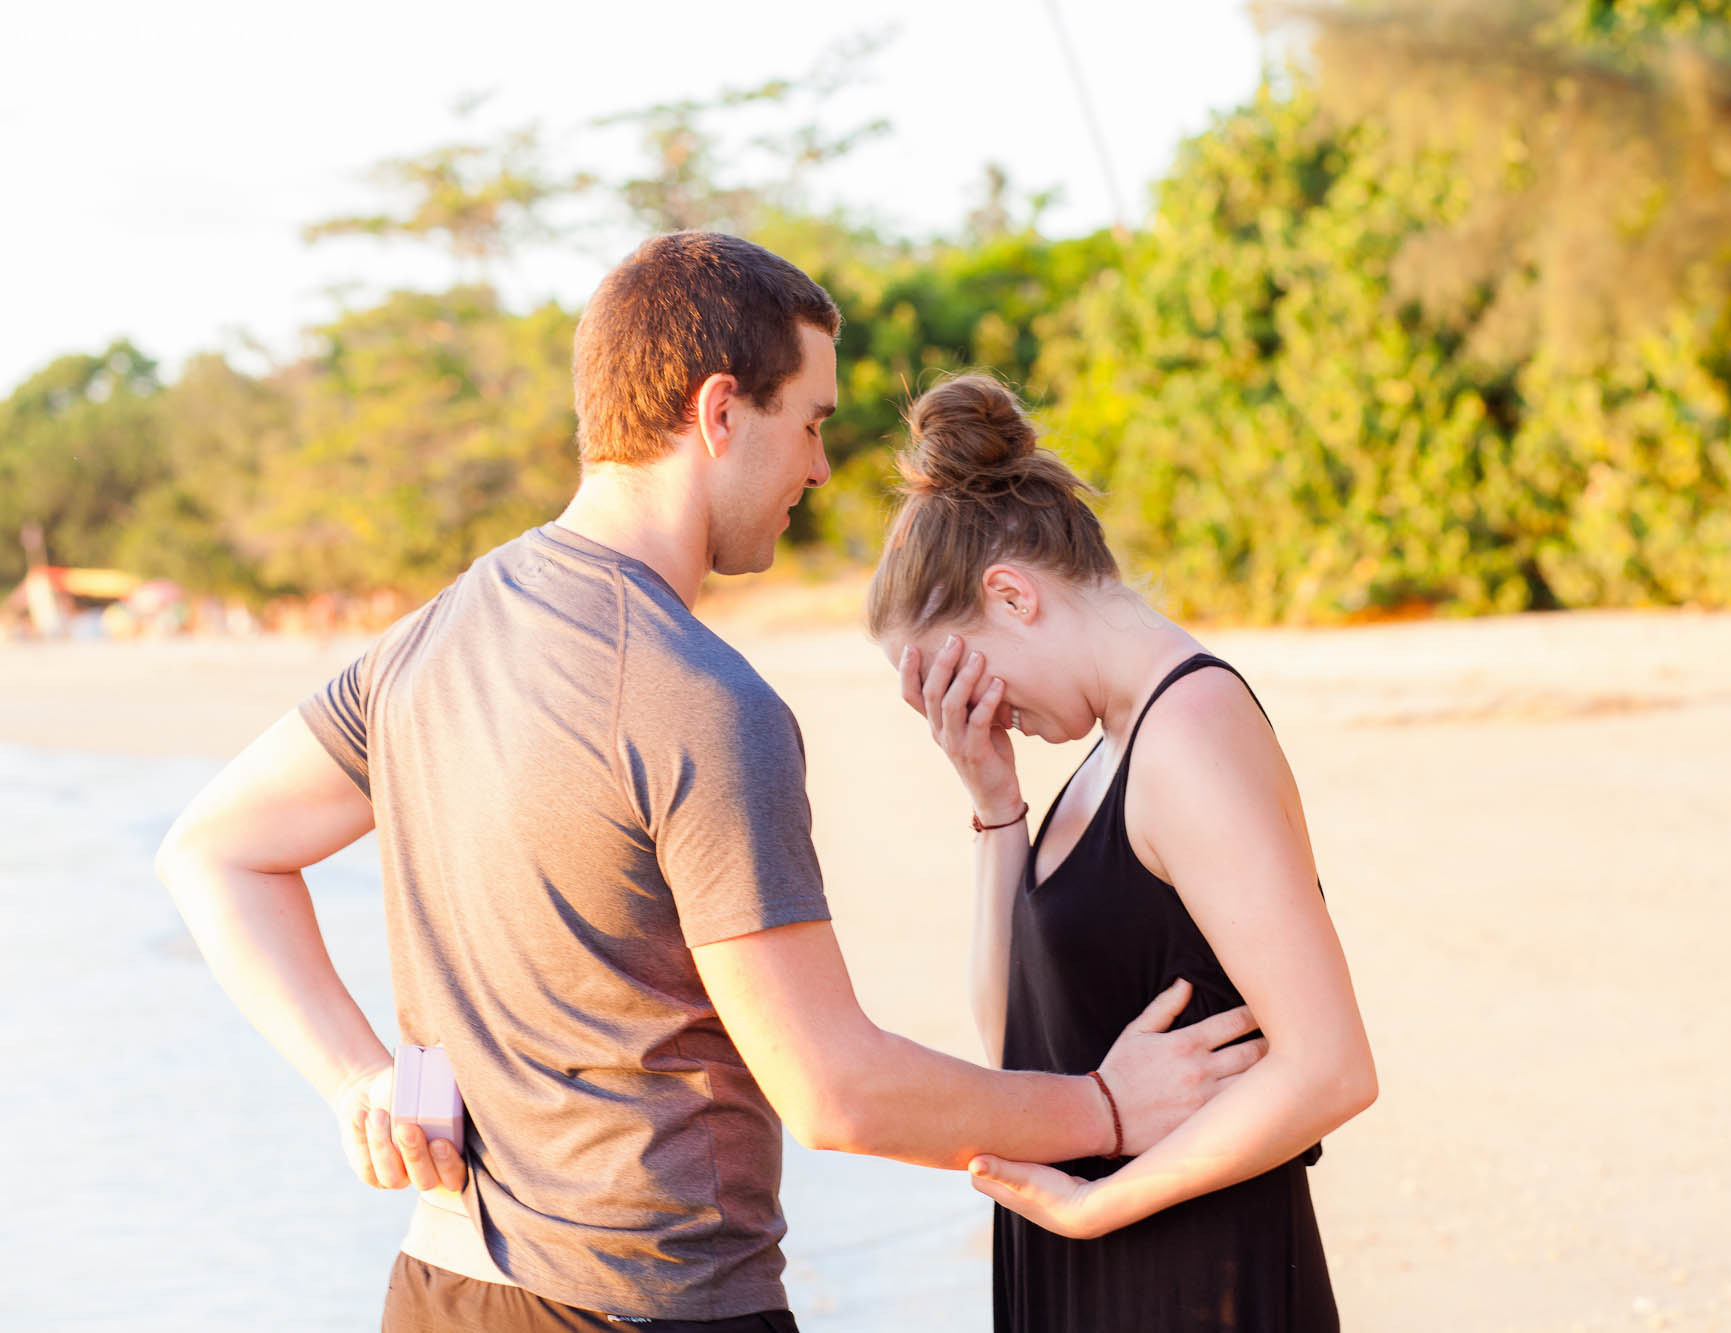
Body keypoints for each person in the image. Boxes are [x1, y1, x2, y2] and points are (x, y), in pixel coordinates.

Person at [153, 233, 1262, 1332]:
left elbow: (214, 849)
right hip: (650, 1308)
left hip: (437, 1294)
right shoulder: (702, 702)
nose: (820, 468)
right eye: (811, 423)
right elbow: (834, 1090)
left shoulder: (429, 642)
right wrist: (1103, 1106)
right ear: (719, 411)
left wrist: (356, 1076)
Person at [867, 373, 1379, 1332]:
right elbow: (1014, 1042)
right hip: (1097, 1263)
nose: (965, 710)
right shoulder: (1110, 745)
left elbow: (1332, 1066)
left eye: (953, 673)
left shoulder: (1188, 729)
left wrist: (1097, 1203)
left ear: (1011, 596)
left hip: (1184, 1274)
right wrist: (995, 804)